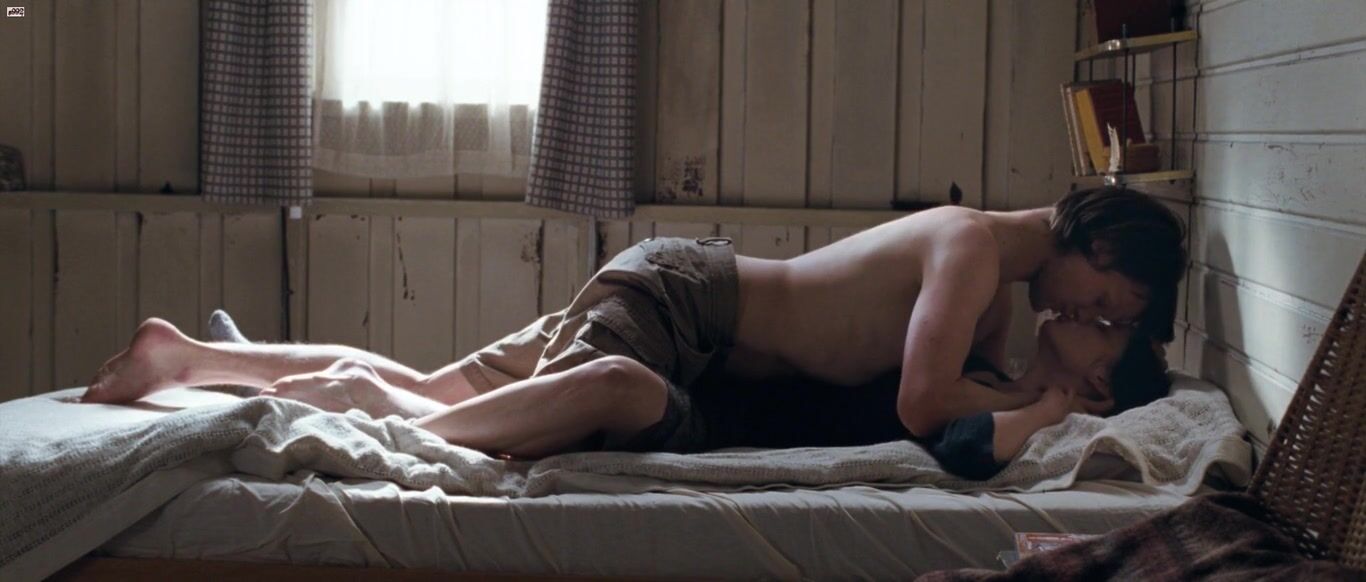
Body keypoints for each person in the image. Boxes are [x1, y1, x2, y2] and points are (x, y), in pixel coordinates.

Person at [82, 186, 1186, 467]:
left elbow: (951, 408)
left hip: (678, 307)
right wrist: (1041, 399)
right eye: (1106, 300)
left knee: (443, 385)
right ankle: (359, 413)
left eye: (1109, 322)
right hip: (686, 306)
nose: (1089, 316)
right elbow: (920, 404)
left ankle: (188, 354)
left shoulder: (989, 285)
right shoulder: (972, 247)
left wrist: (1034, 395)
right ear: (1094, 243)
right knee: (435, 406)